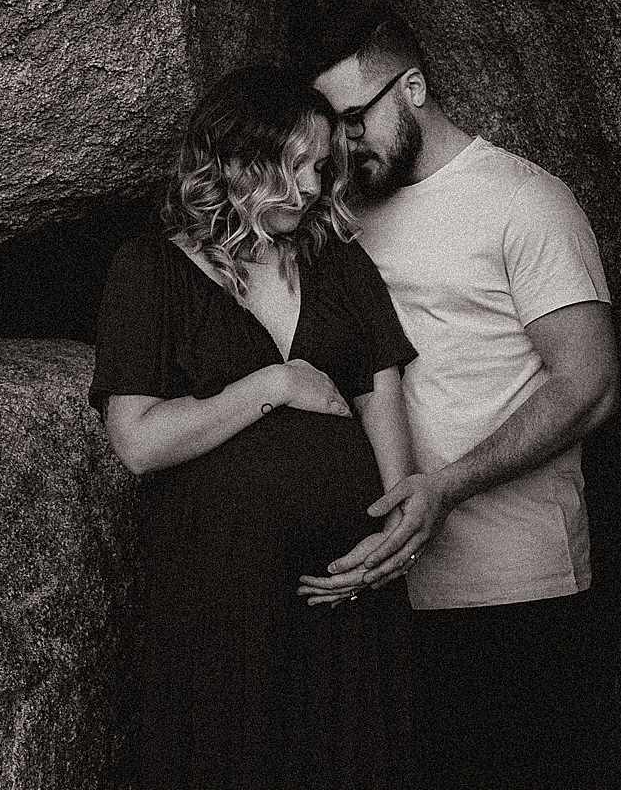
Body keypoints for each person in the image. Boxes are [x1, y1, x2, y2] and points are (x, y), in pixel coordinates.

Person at [296, 10, 620, 789]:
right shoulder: (341, 215)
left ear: (413, 87)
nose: (344, 146)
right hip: (379, 588)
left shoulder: (523, 201)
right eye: (328, 128)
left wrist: (448, 486)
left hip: (514, 582)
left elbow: (592, 385)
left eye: (353, 120)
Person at [88, 65, 421, 789]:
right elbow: (138, 440)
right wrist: (273, 385)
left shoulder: (338, 263)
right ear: (235, 161)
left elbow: (381, 394)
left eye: (319, 165)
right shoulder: (148, 271)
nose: (310, 186)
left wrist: (391, 528)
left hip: (346, 587)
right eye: (292, 164)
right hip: (224, 599)